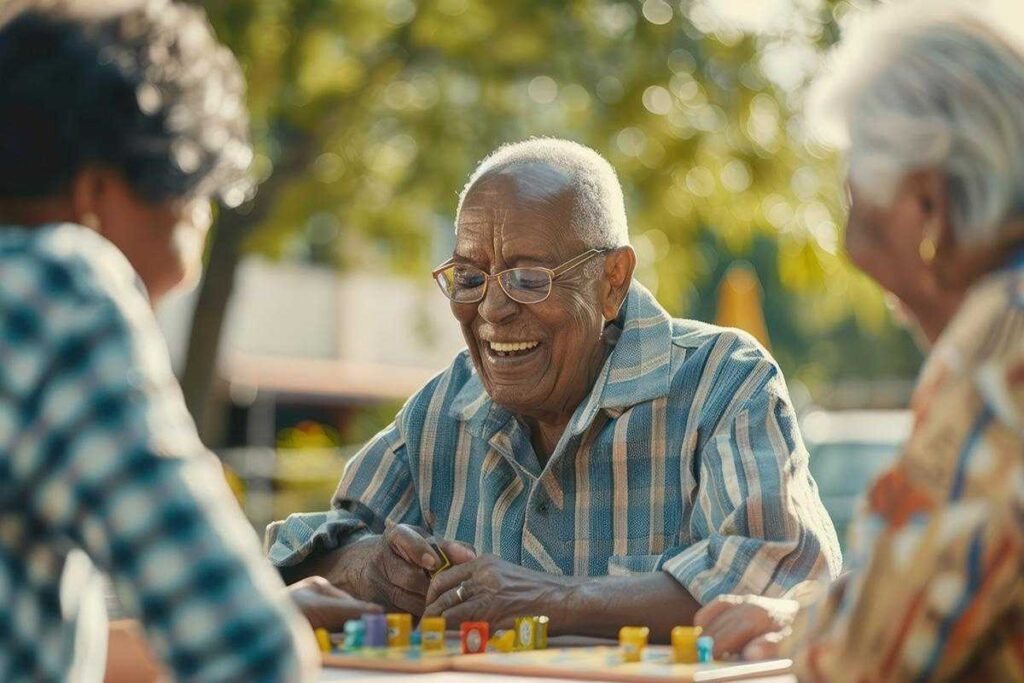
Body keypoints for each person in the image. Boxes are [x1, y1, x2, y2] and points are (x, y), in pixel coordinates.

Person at [268, 138, 841, 640]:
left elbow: (779, 570)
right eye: (469, 277)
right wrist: (367, 568)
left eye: (529, 278)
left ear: (612, 280)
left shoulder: (721, 380)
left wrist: (550, 602)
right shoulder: (444, 407)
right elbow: (298, 552)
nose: (491, 309)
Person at [0, 2, 376, 681]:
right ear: (96, 193)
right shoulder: (61, 286)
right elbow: (253, 655)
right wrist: (268, 621)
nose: (199, 237)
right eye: (195, 200)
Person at [694, 4, 1024, 681]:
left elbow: (871, 658)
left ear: (928, 204)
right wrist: (818, 613)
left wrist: (820, 627)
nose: (851, 249)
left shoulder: (1000, 344)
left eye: (856, 204)